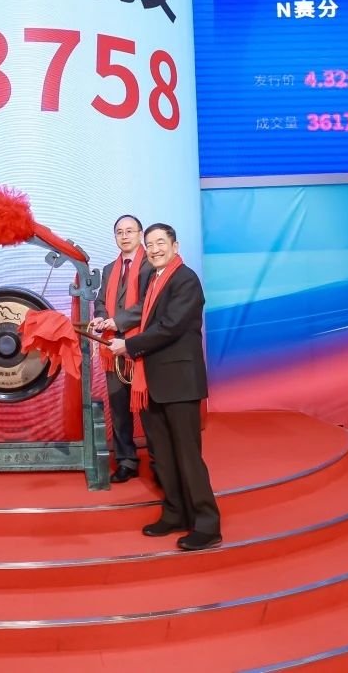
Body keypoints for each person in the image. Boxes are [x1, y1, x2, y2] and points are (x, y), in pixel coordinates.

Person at [108, 223, 221, 551]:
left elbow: (170, 327)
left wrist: (128, 346)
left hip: (180, 383)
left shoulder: (185, 279)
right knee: (164, 455)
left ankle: (207, 525)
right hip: (153, 382)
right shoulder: (154, 279)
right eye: (151, 244)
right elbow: (148, 322)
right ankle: (175, 513)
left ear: (175, 245)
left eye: (161, 242)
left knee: (187, 456)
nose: (155, 249)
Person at [89, 214, 153, 483]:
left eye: (130, 231)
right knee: (118, 409)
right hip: (112, 348)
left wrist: (118, 321)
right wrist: (101, 317)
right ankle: (127, 461)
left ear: (140, 234)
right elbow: (101, 301)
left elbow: (149, 304)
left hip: (142, 348)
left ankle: (160, 463)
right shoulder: (109, 269)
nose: (124, 236)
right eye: (119, 232)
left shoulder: (152, 265)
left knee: (150, 410)